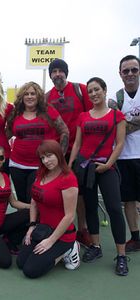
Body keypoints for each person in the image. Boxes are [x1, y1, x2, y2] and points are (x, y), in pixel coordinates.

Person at [69, 77, 128, 276]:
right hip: (85, 167)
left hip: (106, 168)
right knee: (90, 207)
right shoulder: (83, 116)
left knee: (114, 208)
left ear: (104, 90)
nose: (94, 94)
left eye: (97, 90)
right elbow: (77, 144)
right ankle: (96, 247)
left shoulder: (117, 116)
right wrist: (70, 166)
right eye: (91, 91)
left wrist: (108, 164)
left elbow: (119, 144)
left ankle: (121, 255)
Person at [46, 58, 93, 248]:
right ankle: (56, 228)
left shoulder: (81, 90)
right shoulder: (47, 97)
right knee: (54, 191)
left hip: (80, 151)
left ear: (66, 73)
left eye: (60, 71)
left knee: (79, 193)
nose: (57, 74)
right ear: (50, 75)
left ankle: (82, 229)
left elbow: (93, 114)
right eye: (53, 71)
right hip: (56, 153)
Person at [17, 140, 80, 278]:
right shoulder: (40, 174)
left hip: (62, 235)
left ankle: (69, 249)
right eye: (43, 158)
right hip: (42, 229)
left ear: (59, 154)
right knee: (20, 263)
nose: (46, 160)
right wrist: (32, 226)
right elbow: (34, 202)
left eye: (49, 155)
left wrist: (50, 241)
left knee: (30, 271)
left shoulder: (68, 179)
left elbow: (70, 216)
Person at [7, 81, 69, 204]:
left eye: (33, 94)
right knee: (22, 200)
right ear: (22, 97)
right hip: (17, 165)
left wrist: (59, 157)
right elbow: (7, 134)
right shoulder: (16, 113)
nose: (30, 97)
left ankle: (35, 223)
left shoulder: (48, 111)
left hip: (40, 164)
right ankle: (26, 223)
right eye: (26, 94)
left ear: (38, 96)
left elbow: (64, 131)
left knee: (35, 199)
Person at [108, 55, 140, 253]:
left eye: (134, 70)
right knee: (128, 199)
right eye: (126, 71)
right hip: (124, 156)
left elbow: (122, 126)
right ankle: (135, 237)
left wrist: (125, 124)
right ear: (120, 74)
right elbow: (117, 129)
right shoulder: (118, 97)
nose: (130, 74)